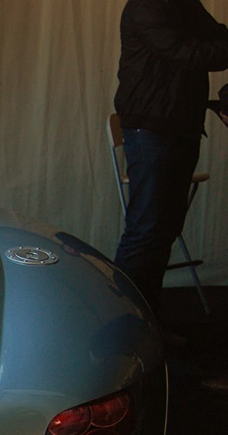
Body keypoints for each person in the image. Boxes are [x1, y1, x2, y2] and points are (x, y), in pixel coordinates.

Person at [114, 0, 228, 313]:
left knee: (163, 230)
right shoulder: (145, 5)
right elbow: (186, 53)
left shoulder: (185, 3)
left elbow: (217, 36)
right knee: (146, 229)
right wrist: (214, 45)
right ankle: (124, 322)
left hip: (182, 125)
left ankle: (149, 321)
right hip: (152, 128)